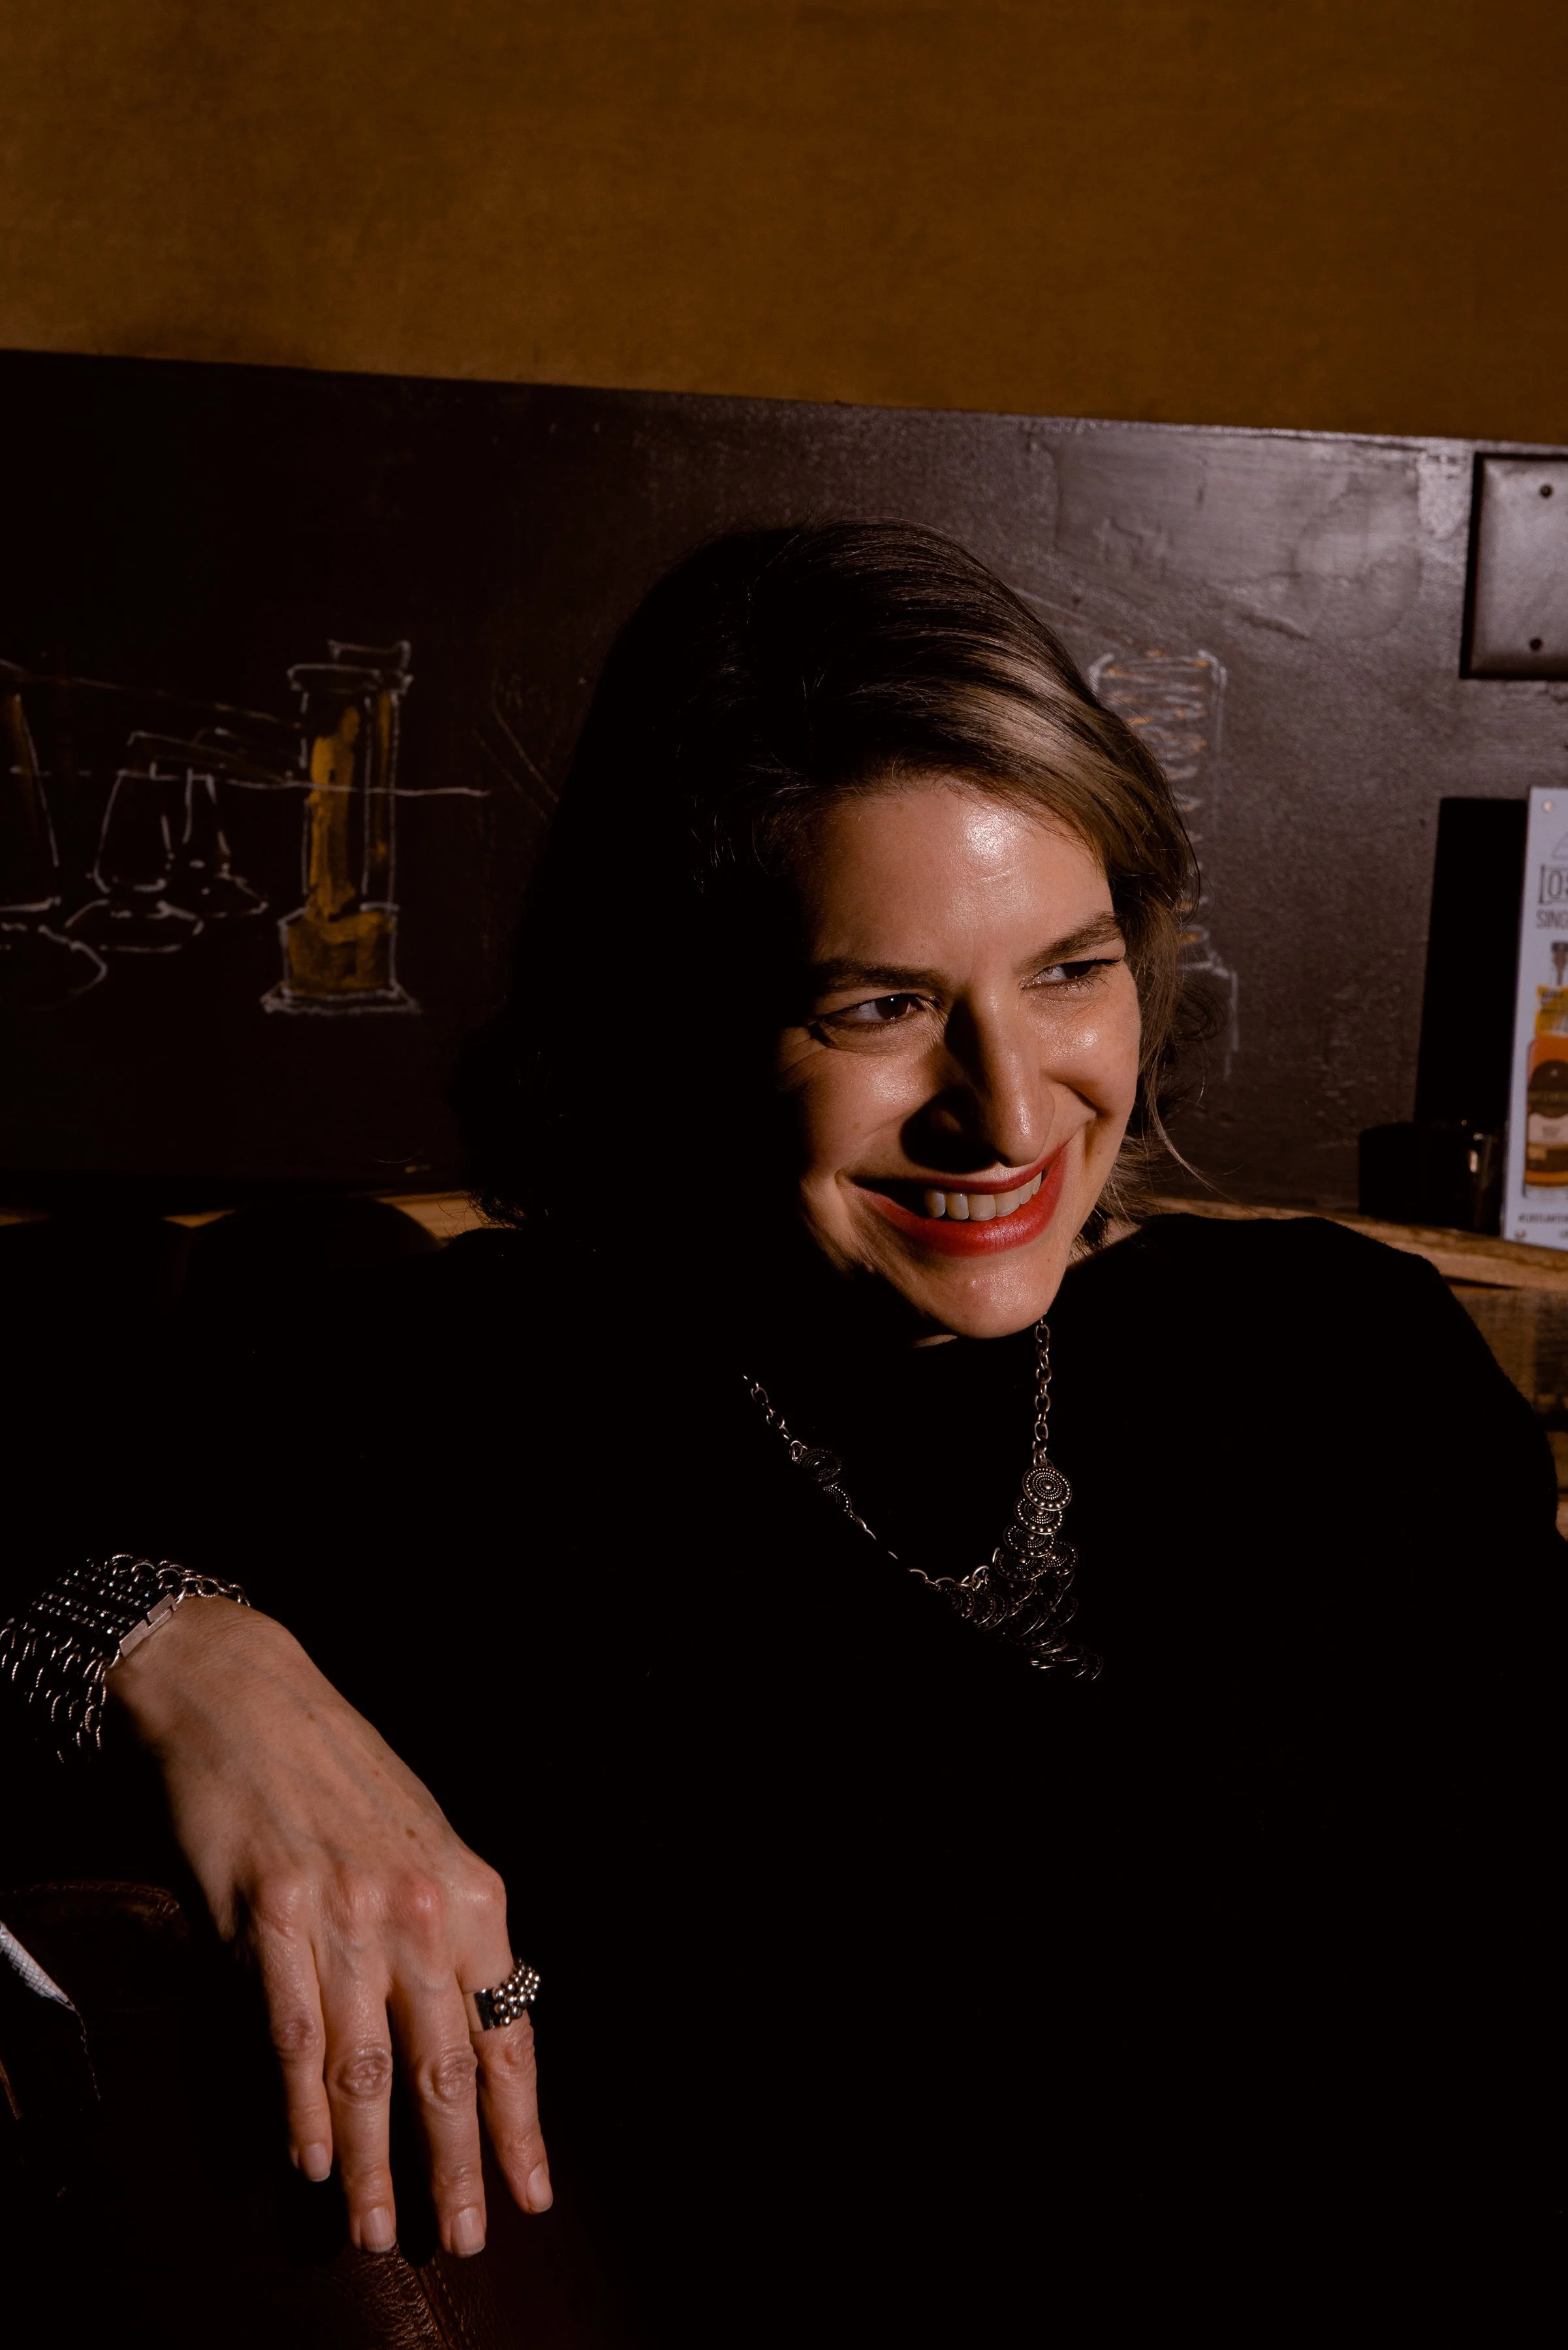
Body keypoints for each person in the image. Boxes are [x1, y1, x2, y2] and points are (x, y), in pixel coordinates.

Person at [2, 523, 1557, 2339]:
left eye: (1069, 969)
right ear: (682, 1022)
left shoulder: (1341, 1359)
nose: (1007, 1110)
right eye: (880, 1007)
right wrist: (191, 1660)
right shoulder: (491, 1407)